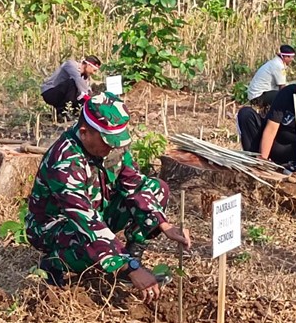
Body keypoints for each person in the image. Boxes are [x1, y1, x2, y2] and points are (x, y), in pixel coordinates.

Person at [25, 94, 191, 300]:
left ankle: (131, 256)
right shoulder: (65, 161)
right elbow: (86, 221)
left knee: (156, 189)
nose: (113, 147)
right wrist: (130, 266)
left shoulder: (109, 148)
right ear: (84, 133)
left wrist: (164, 225)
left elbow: (135, 185)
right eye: (108, 142)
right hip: (56, 227)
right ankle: (55, 263)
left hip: (97, 211)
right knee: (86, 242)